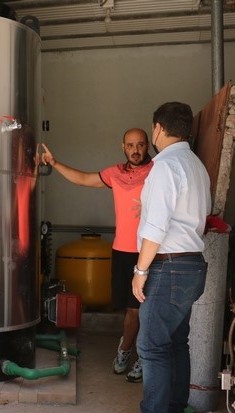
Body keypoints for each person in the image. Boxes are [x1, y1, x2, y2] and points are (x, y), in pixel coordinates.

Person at [105, 102, 211, 413]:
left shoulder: (165, 167)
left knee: (151, 348)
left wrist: (140, 271)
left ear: (158, 129)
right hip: (192, 264)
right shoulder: (196, 165)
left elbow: (155, 226)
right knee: (176, 343)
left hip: (168, 266)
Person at [40, 128, 153, 383]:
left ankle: (143, 357)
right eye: (130, 145)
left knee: (145, 309)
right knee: (131, 310)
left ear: (147, 145)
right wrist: (55, 163)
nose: (135, 150)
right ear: (123, 147)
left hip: (149, 250)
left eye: (140, 145)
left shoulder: (157, 171)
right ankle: (126, 349)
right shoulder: (116, 173)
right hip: (122, 251)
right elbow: (83, 179)